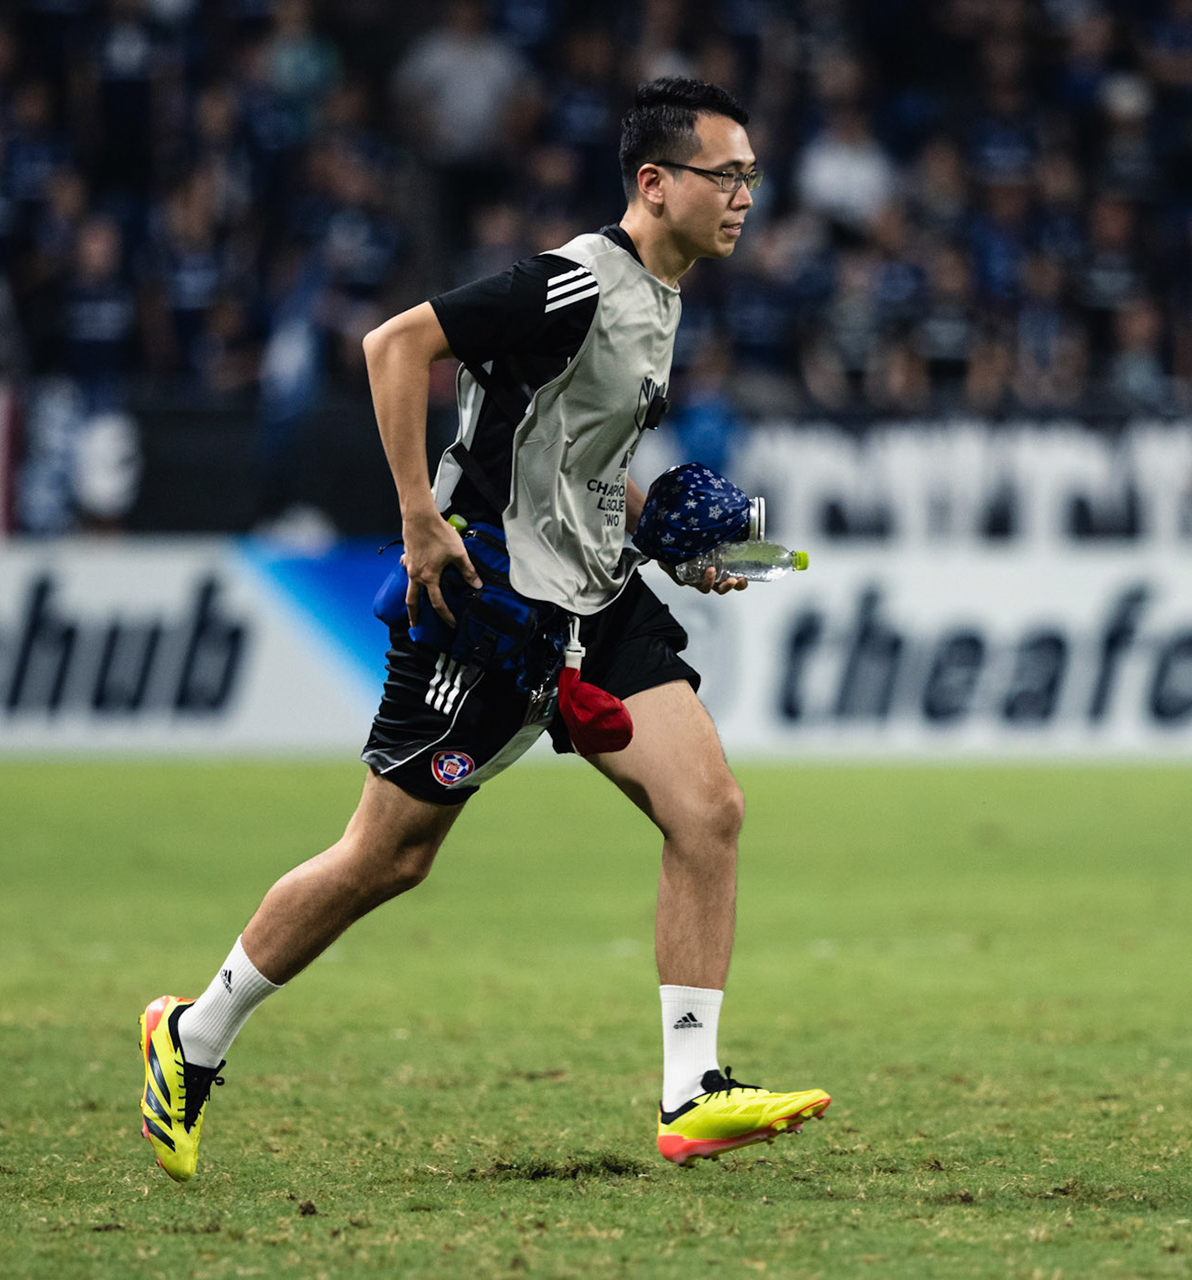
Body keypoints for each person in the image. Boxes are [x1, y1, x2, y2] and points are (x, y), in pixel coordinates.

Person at [139, 77, 829, 1183]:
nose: (747, 195)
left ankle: (691, 1090)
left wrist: (662, 536)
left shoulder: (664, 295)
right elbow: (393, 346)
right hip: (487, 599)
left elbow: (578, 459)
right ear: (656, 184)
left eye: (753, 175)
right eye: (727, 174)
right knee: (388, 857)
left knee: (709, 810)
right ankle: (194, 1032)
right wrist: (419, 518)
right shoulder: (572, 282)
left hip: (594, 596)